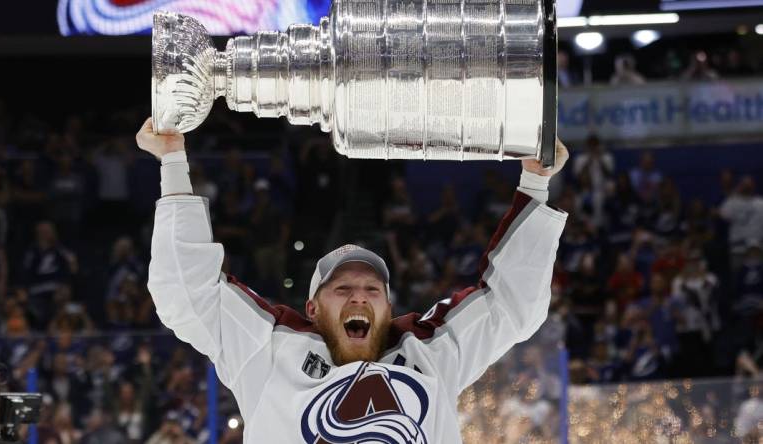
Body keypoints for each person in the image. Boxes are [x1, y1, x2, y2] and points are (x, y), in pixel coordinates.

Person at [137, 118, 569, 443]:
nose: (359, 297)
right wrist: (172, 159)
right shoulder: (270, 352)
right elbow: (188, 295)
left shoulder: (431, 355)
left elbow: (510, 304)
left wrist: (536, 179)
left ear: (388, 307)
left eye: (371, 290)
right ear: (313, 309)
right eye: (342, 289)